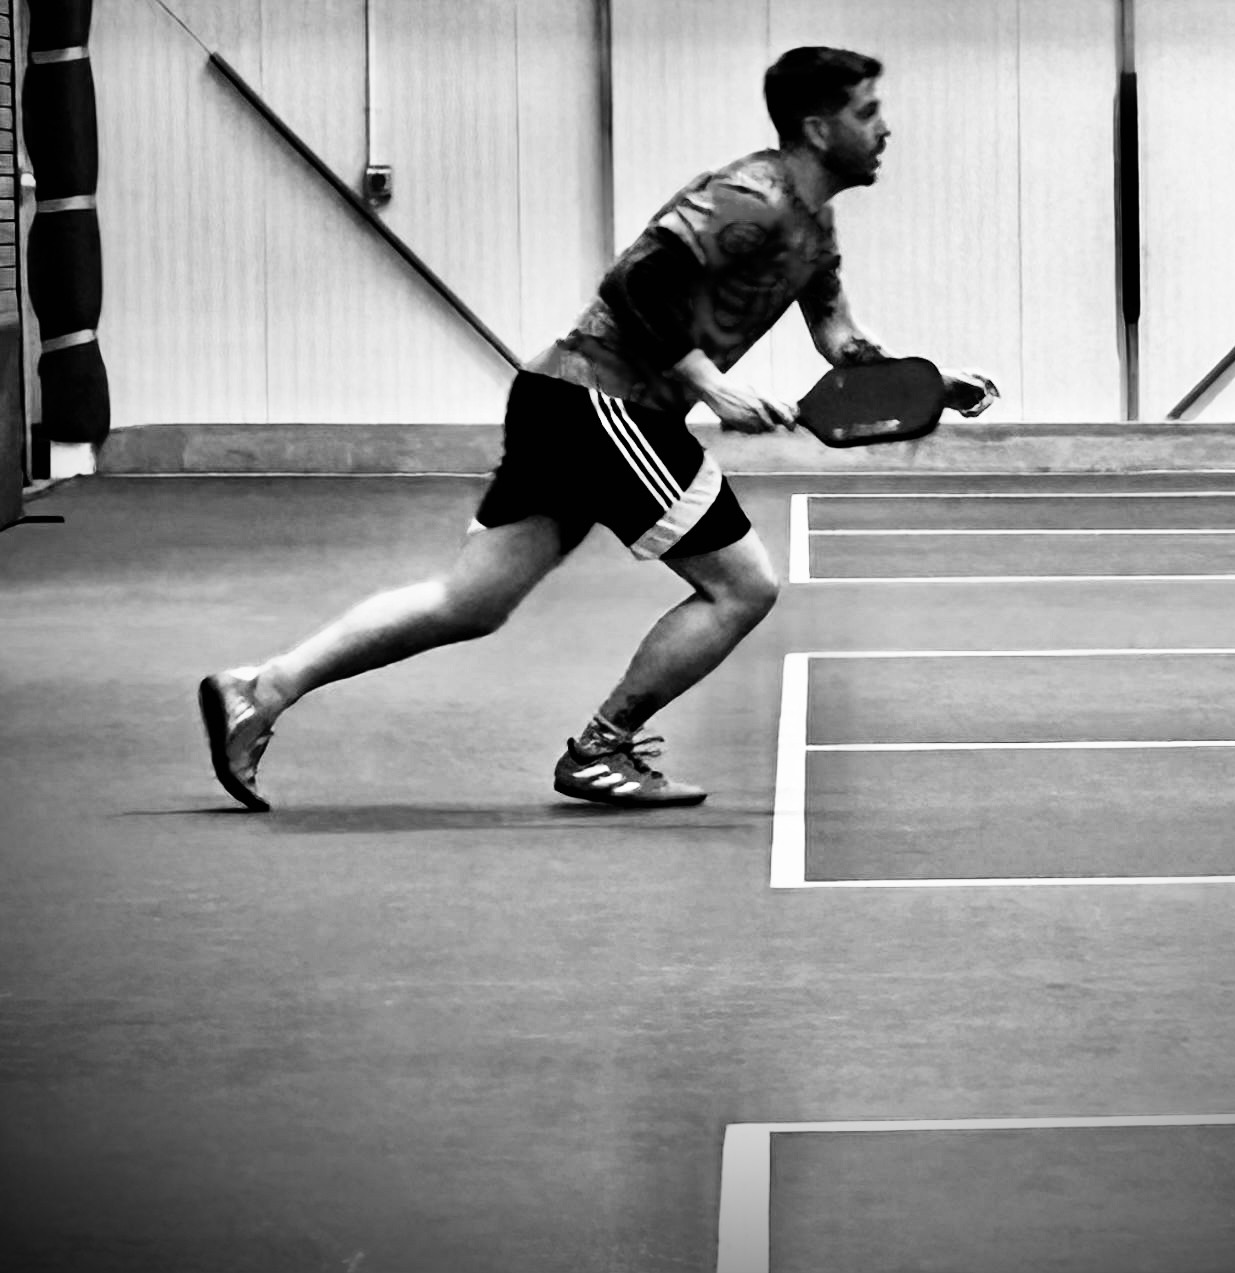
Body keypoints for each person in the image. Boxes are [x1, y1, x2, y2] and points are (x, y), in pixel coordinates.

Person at [199, 46, 997, 810]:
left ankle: (258, 690)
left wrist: (924, 381)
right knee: (742, 587)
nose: (884, 128)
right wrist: (710, 384)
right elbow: (633, 282)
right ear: (820, 128)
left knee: (468, 603)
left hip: (563, 400)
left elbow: (837, 336)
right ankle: (602, 748)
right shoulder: (750, 197)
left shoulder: (814, 229)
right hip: (603, 402)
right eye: (869, 111)